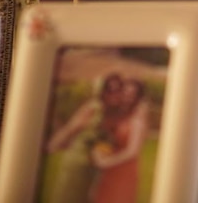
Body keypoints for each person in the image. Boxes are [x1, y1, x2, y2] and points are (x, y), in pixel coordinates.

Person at [45, 74, 123, 203]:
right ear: (103, 91)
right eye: (109, 89)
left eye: (118, 89)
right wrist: (52, 145)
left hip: (95, 167)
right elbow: (71, 128)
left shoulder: (115, 112)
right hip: (78, 163)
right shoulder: (93, 108)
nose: (114, 93)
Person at [92, 79, 149, 203]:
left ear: (137, 98)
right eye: (125, 93)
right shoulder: (117, 116)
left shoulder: (137, 120)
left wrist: (107, 162)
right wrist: (99, 153)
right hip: (109, 171)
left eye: (131, 95)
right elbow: (107, 139)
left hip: (124, 170)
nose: (126, 97)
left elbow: (133, 151)